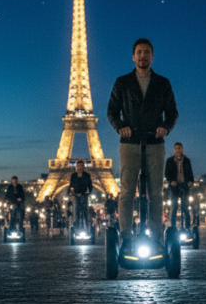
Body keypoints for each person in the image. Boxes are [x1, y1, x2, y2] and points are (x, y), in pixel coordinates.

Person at [106, 37, 178, 242]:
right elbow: (112, 111)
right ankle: (126, 234)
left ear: (152, 57)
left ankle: (156, 234)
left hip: (155, 141)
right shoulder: (122, 82)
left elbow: (172, 112)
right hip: (130, 142)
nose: (142, 56)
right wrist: (121, 127)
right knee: (127, 190)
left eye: (146, 52)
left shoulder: (163, 83)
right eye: (139, 52)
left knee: (156, 192)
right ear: (133, 57)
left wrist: (165, 127)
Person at [164, 142, 195, 230]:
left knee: (185, 207)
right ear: (174, 150)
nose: (177, 150)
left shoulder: (186, 160)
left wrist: (190, 182)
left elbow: (190, 172)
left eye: (179, 148)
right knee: (174, 207)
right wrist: (171, 181)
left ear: (182, 150)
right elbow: (167, 174)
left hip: (184, 185)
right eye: (176, 148)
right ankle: (173, 227)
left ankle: (188, 227)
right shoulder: (169, 161)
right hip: (174, 186)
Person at [69, 161, 94, 228]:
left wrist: (88, 193)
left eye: (81, 166)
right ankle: (76, 226)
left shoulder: (87, 175)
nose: (80, 167)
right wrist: (73, 192)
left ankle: (86, 225)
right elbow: (71, 185)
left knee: (85, 210)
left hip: (84, 195)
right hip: (76, 195)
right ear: (76, 167)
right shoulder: (73, 176)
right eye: (79, 166)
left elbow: (90, 186)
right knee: (76, 211)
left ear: (83, 167)